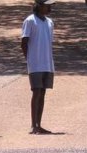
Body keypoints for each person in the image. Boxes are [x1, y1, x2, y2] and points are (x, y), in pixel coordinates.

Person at [21, 0, 56, 135]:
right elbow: (24, 42)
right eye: (47, 5)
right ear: (39, 5)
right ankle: (33, 125)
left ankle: (39, 125)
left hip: (47, 62)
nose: (49, 7)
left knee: (42, 93)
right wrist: (29, 59)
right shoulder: (30, 21)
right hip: (35, 63)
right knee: (36, 92)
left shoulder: (50, 22)